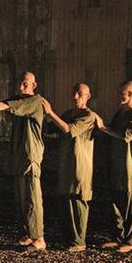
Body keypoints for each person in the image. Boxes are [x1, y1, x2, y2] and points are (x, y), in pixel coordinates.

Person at [0, 71, 51, 251]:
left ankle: (38, 237)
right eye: (20, 83)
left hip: (30, 155)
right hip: (20, 155)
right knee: (22, 197)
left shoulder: (34, 101)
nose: (21, 87)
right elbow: (7, 104)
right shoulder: (20, 99)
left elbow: (6, 106)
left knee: (31, 196)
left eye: (26, 84)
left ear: (34, 85)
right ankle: (28, 234)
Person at [46, 84, 99, 252]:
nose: (76, 97)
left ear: (88, 96)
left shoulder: (88, 116)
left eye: (80, 94)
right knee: (66, 200)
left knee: (78, 200)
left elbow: (68, 130)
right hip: (66, 164)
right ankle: (70, 239)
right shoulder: (69, 114)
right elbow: (51, 128)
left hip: (80, 165)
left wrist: (50, 112)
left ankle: (79, 241)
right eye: (74, 93)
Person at [97, 81, 132, 252]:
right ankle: (119, 237)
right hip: (115, 164)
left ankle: (130, 242)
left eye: (121, 93)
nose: (119, 96)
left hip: (128, 165)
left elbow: (126, 136)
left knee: (129, 202)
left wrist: (103, 127)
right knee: (116, 202)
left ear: (131, 94)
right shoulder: (120, 113)